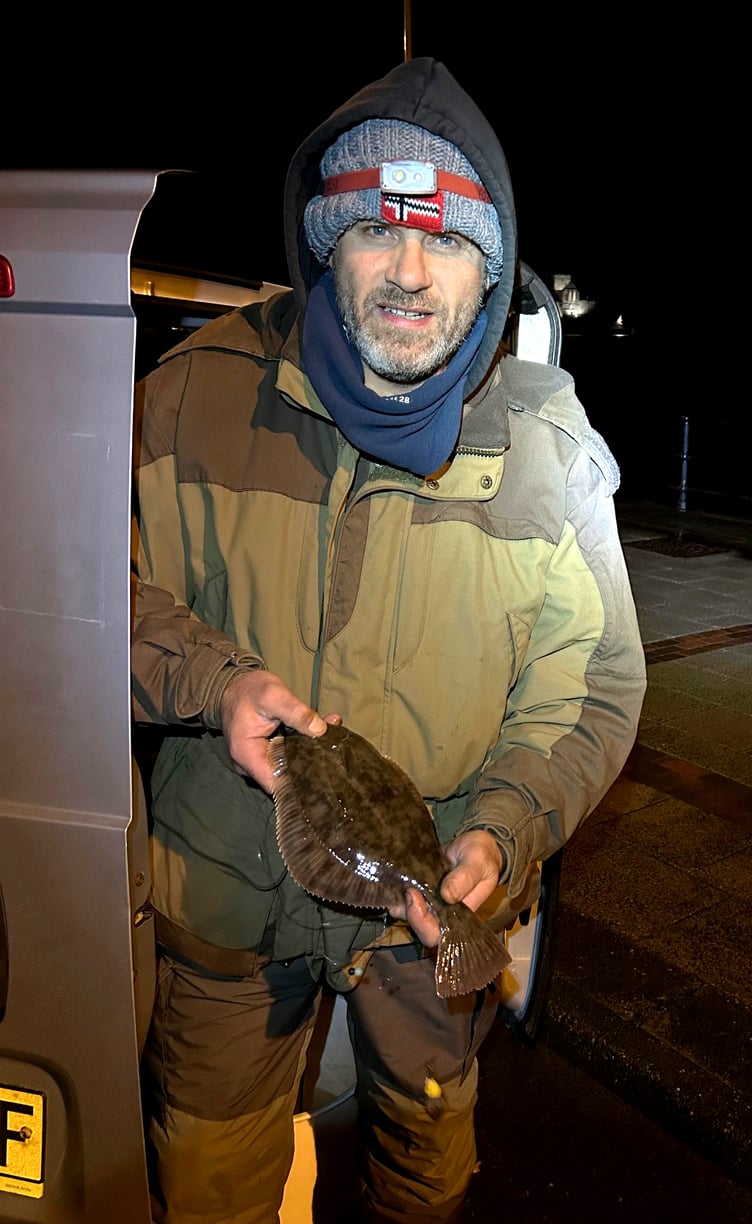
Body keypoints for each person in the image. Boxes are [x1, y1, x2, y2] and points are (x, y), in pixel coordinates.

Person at [131, 56, 647, 1224]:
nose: (410, 273)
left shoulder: (549, 453)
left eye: (449, 240)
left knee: (423, 1159)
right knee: (206, 1181)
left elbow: (591, 690)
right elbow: (88, 598)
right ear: (326, 245)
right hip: (226, 898)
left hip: (431, 917)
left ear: (490, 264)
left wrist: (503, 831)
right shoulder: (189, 396)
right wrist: (214, 683)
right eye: (371, 229)